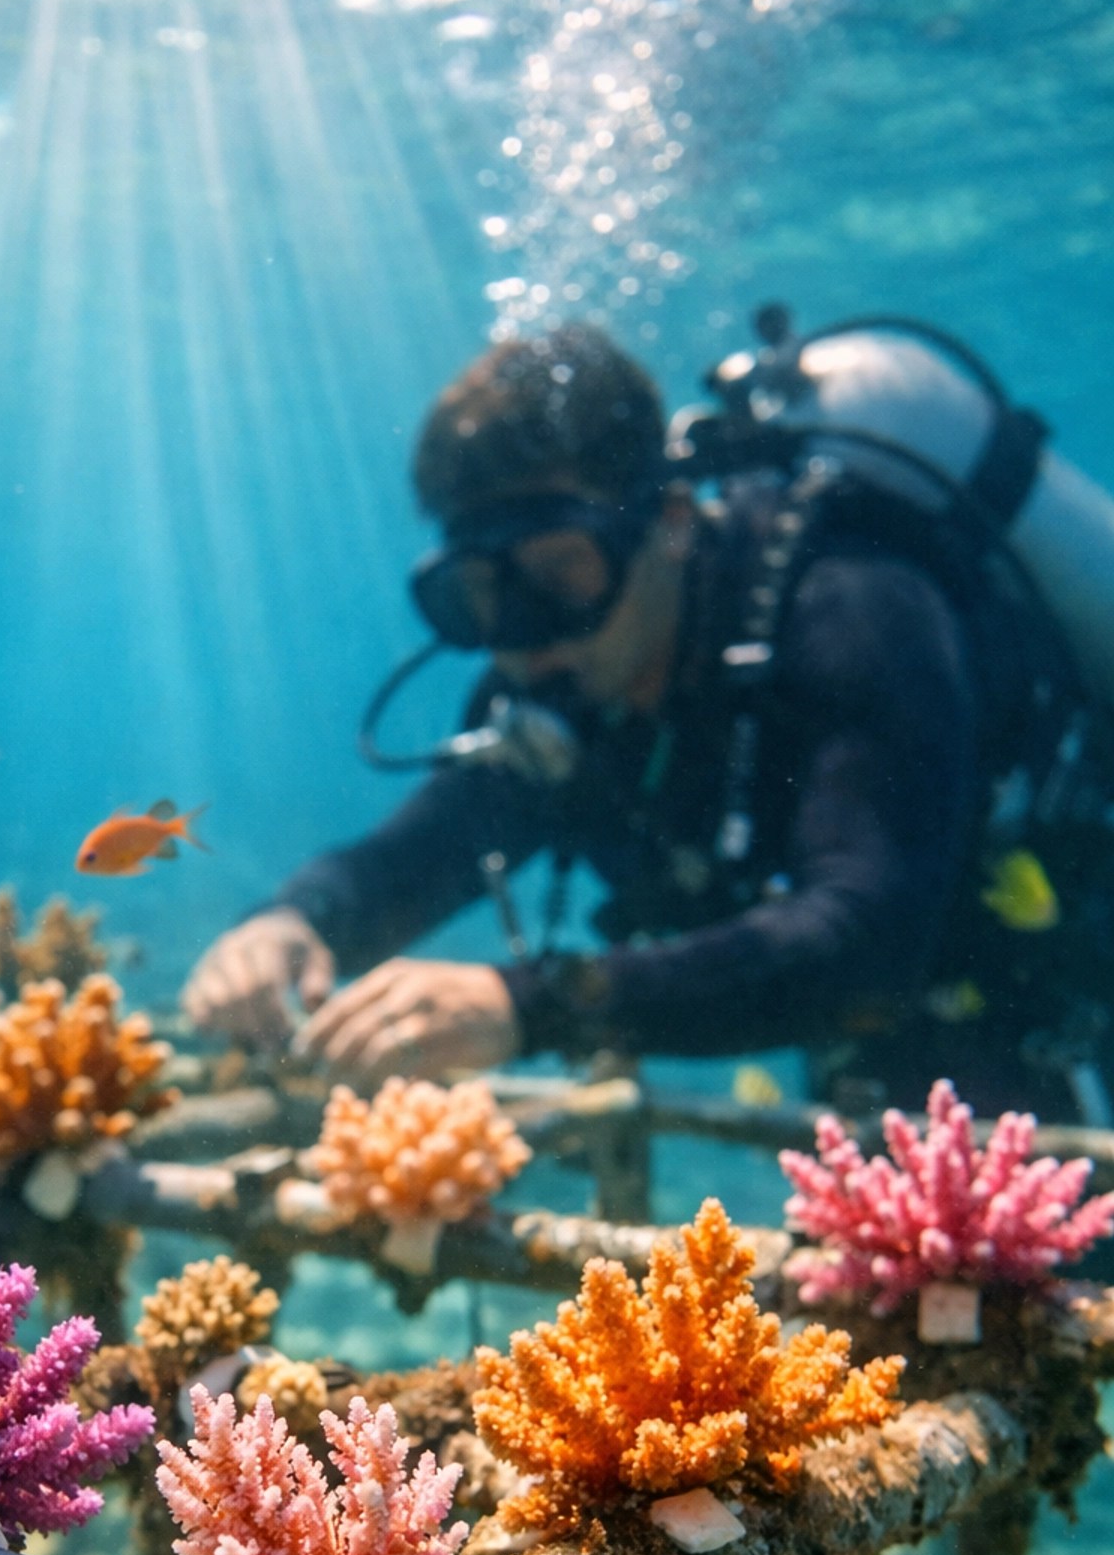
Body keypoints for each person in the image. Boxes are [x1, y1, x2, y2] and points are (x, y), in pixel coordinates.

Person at [183, 321, 1114, 1121]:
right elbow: (424, 849)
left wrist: (533, 1006)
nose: (526, 641)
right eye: (481, 595)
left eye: (562, 575)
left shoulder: (849, 607)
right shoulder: (560, 693)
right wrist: (294, 923)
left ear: (669, 521)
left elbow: (866, 939)